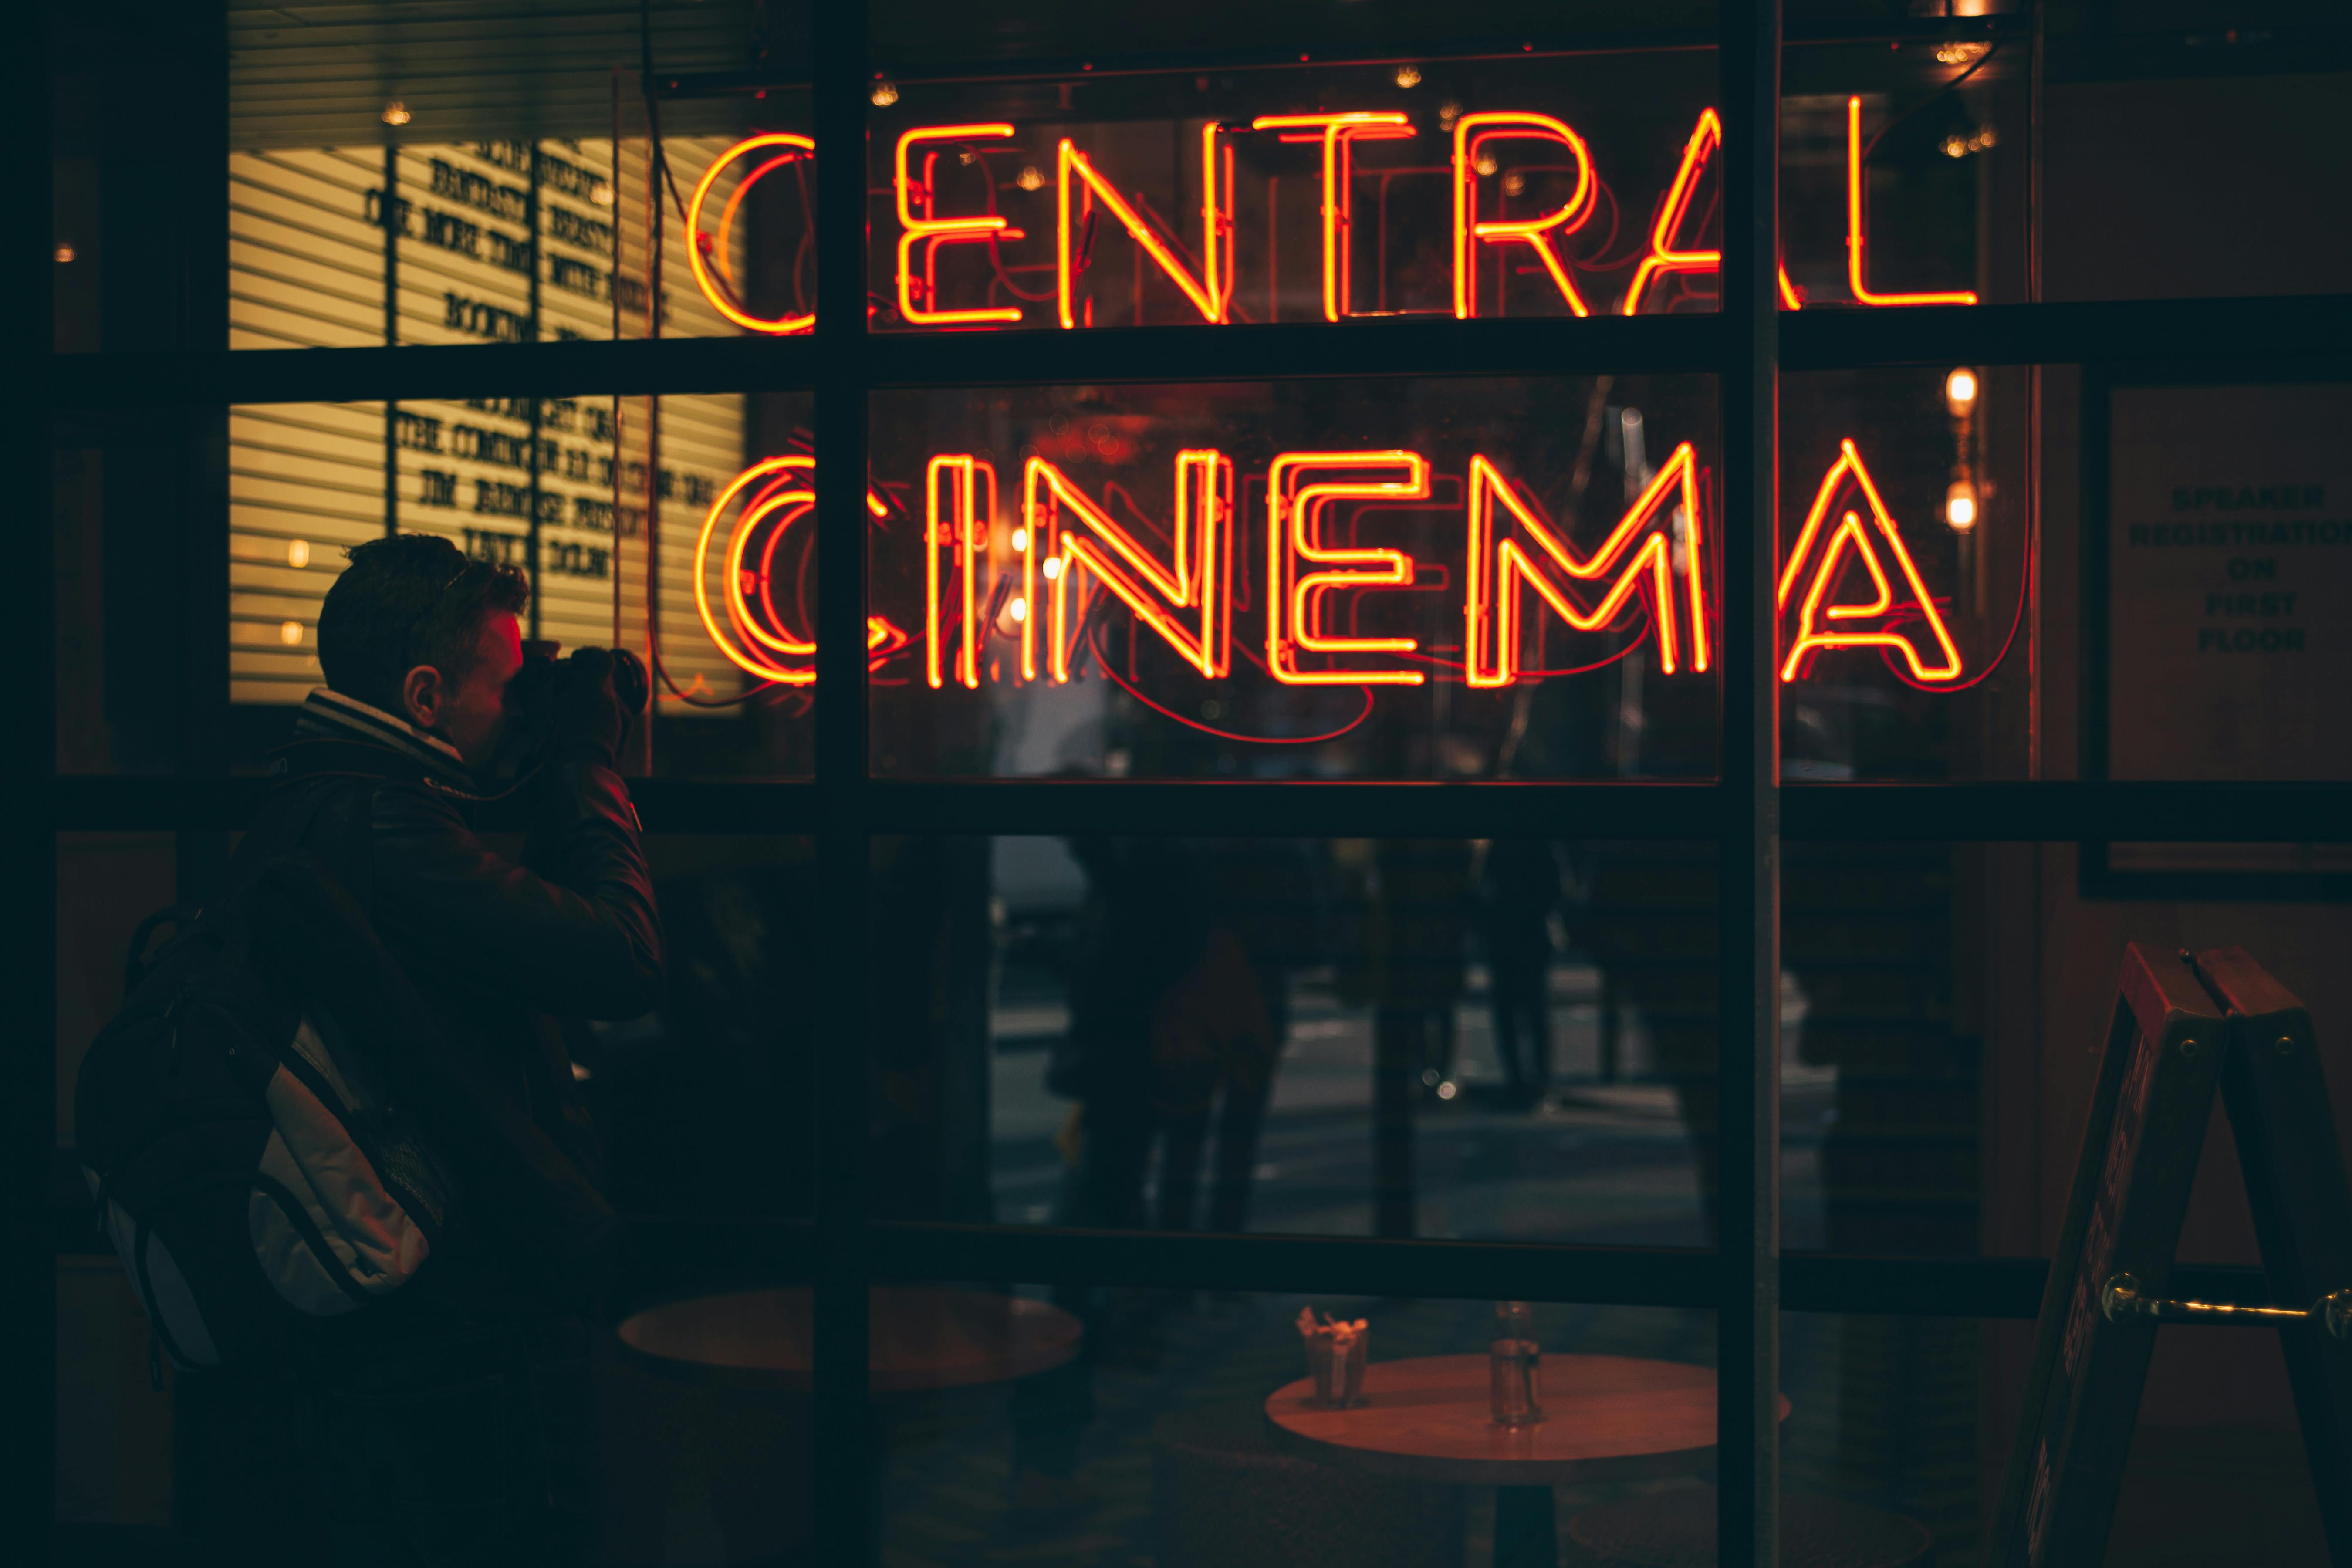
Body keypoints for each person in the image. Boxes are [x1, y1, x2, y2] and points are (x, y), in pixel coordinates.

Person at [238, 534, 663, 1566]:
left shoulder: (307, 802)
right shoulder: (384, 832)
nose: (520, 706)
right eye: (508, 683)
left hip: (388, 1323)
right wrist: (587, 761)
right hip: (462, 1332)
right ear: (426, 696)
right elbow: (620, 957)